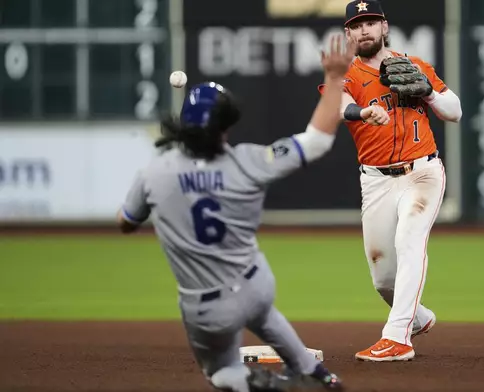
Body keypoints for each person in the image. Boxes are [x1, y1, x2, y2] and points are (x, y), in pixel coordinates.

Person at [116, 34, 356, 391]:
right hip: (256, 283)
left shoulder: (154, 173)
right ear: (226, 126)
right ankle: (319, 375)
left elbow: (126, 222)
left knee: (221, 371)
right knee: (264, 316)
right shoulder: (249, 161)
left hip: (207, 308)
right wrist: (336, 79)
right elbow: (317, 141)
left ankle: (264, 386)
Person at [318, 0, 462, 362]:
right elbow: (335, 105)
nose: (365, 29)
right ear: (348, 33)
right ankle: (418, 317)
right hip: (377, 181)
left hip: (422, 172)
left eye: (371, 22)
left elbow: (455, 111)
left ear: (384, 27)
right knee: (383, 277)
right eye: (357, 24)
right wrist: (361, 111)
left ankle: (397, 337)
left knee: (409, 239)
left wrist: (427, 90)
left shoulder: (414, 66)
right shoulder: (347, 75)